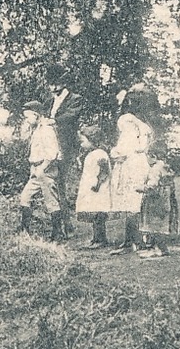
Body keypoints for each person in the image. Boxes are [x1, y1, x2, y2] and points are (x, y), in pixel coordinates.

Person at [108, 85, 160, 254]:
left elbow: (126, 147)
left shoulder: (127, 121)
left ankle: (135, 240)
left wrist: (115, 152)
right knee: (135, 202)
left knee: (132, 201)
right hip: (140, 162)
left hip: (131, 164)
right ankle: (134, 239)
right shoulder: (144, 124)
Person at [17, 99, 68, 240]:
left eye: (28, 117)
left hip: (45, 169)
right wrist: (26, 125)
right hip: (35, 169)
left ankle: (58, 234)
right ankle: (24, 231)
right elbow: (23, 138)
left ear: (36, 114)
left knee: (51, 201)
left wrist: (42, 168)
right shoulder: (35, 129)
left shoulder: (46, 129)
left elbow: (53, 153)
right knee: (25, 197)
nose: (26, 120)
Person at [71, 120, 114, 248]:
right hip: (91, 189)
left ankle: (101, 240)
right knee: (94, 214)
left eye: (83, 141)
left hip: (98, 189)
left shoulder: (100, 154)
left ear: (92, 140)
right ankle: (96, 238)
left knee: (99, 215)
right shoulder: (91, 154)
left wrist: (98, 184)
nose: (81, 143)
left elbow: (104, 171)